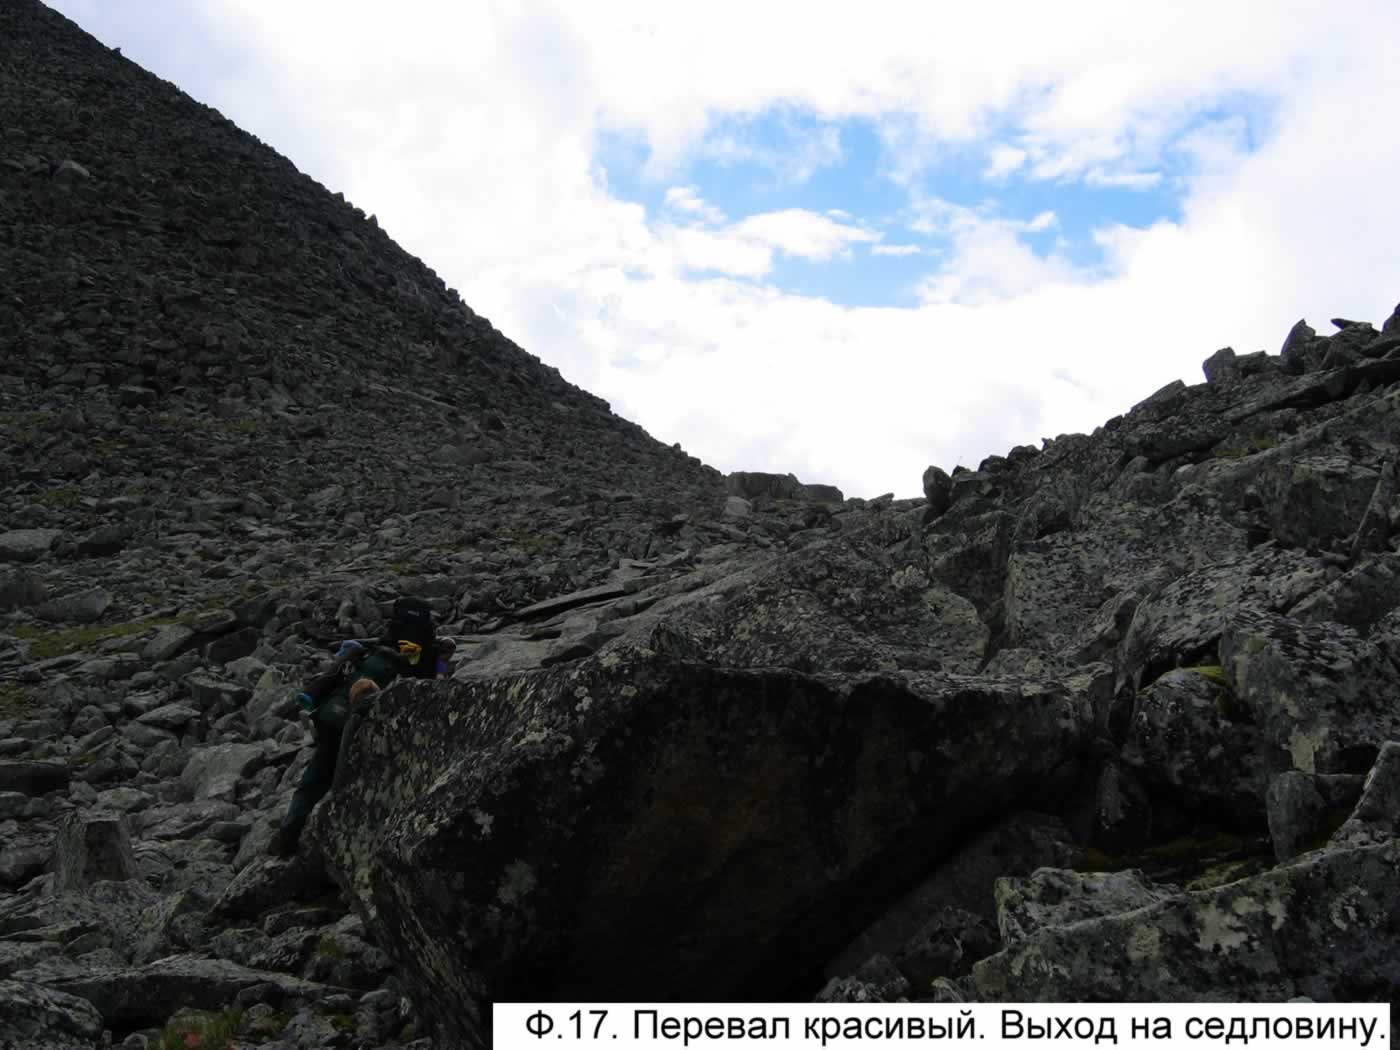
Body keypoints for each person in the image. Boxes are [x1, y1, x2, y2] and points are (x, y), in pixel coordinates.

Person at [267, 596, 442, 857]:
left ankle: (289, 833)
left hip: (336, 721)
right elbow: (432, 683)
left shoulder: (383, 644)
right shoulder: (424, 652)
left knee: (314, 778)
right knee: (354, 784)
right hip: (378, 729)